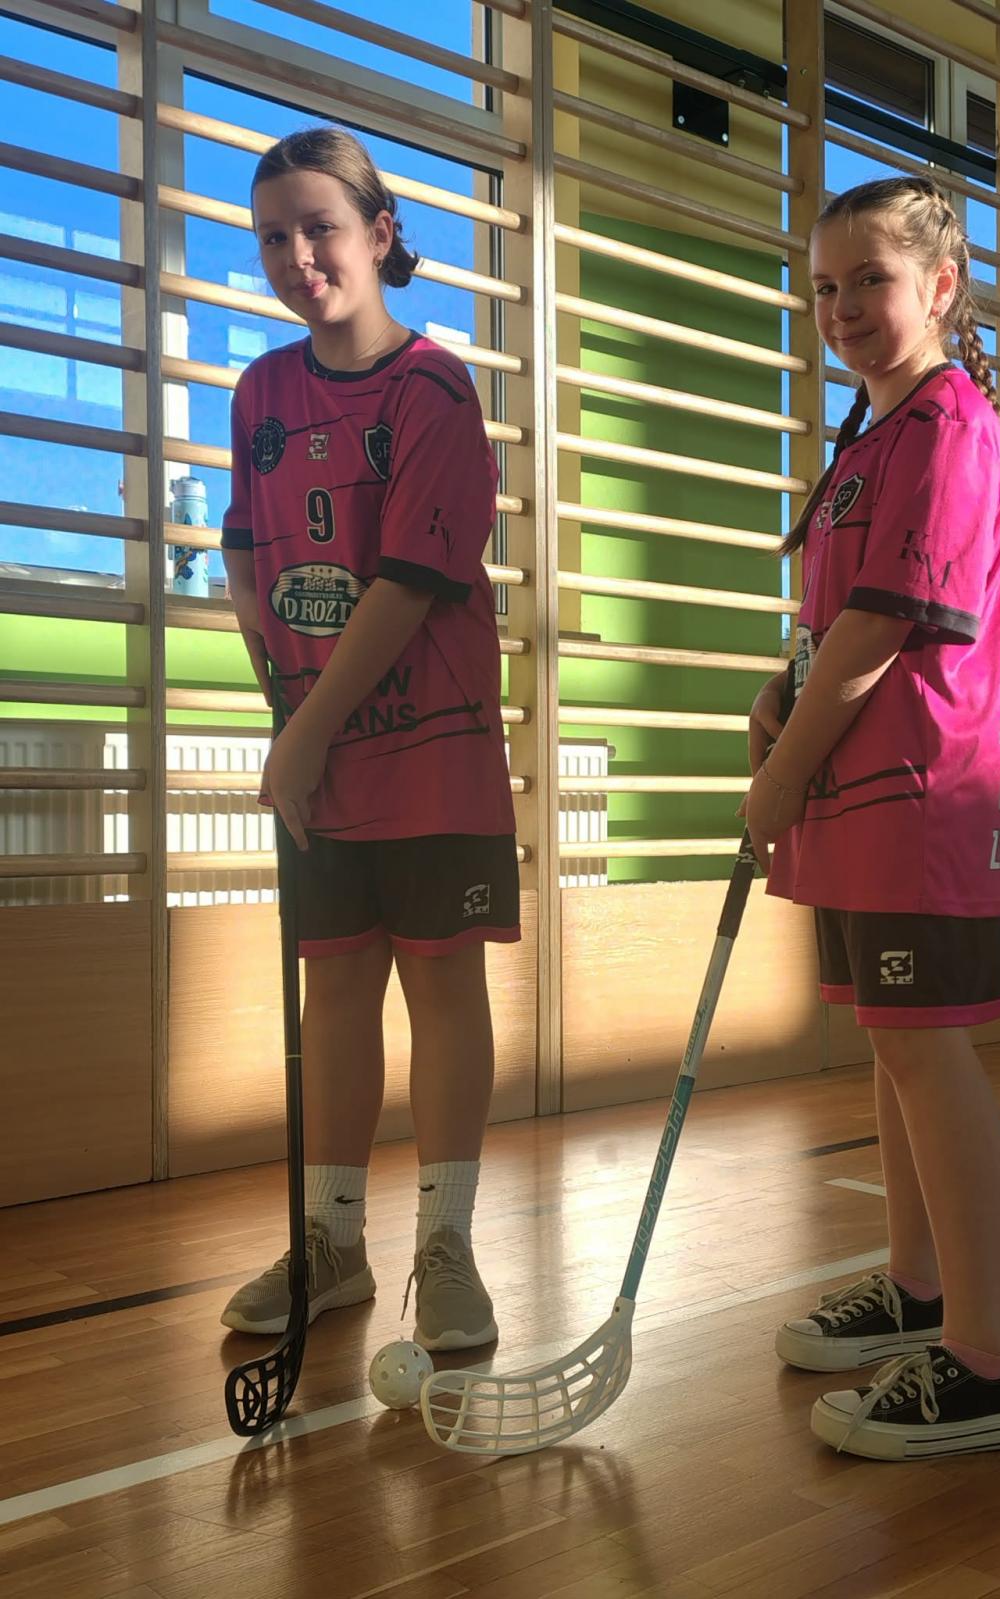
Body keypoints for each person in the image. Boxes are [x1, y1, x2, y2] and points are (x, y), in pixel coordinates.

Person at [742, 176, 1000, 1461]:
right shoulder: (870, 436)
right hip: (859, 787)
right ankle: (918, 1289)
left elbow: (885, 624)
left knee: (926, 1048)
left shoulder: (949, 428)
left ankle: (988, 1363)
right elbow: (838, 621)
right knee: (892, 1043)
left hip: (925, 790)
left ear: (940, 286)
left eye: (871, 279)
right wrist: (781, 692)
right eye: (826, 287)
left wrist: (778, 779)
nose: (845, 307)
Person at [218, 126, 518, 1354]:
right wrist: (286, 717)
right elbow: (248, 564)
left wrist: (305, 735)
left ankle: (446, 1245)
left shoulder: (433, 389)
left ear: (380, 232)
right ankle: (331, 1243)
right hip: (321, 752)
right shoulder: (259, 394)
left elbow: (406, 585)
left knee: (441, 983)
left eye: (320, 229)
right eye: (272, 238)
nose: (297, 257)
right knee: (334, 986)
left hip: (430, 751)